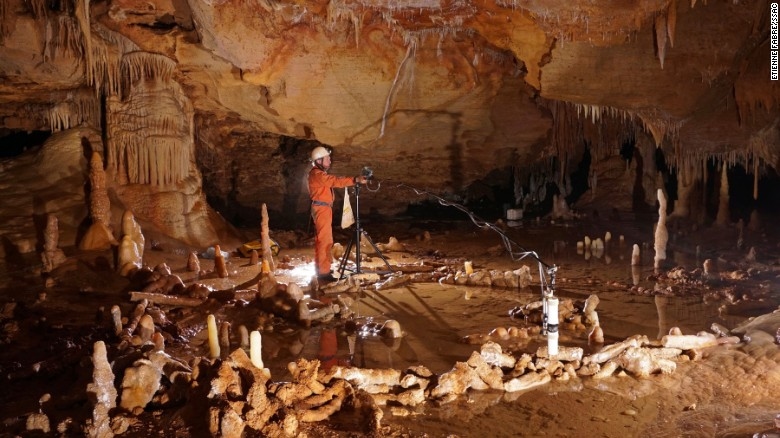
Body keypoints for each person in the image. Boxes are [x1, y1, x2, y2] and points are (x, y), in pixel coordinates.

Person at [308, 146, 367, 282]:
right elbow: (335, 181)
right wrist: (354, 180)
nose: (330, 160)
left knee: (321, 240)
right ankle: (323, 272)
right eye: (327, 158)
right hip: (322, 209)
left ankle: (321, 269)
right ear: (319, 161)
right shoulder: (317, 174)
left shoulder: (316, 174)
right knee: (325, 241)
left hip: (322, 208)